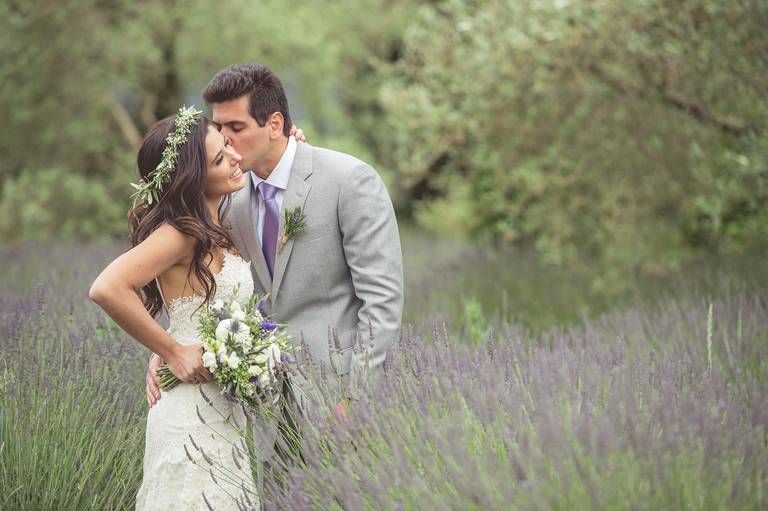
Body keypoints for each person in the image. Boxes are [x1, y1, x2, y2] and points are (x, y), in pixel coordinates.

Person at [145, 63, 405, 493]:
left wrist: (357, 398)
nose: (224, 140)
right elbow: (204, 288)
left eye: (236, 126)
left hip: (333, 393)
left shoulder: (348, 181)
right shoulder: (227, 198)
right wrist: (165, 348)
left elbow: (382, 301)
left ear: (275, 124)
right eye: (219, 127)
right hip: (259, 402)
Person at [90, 106, 261, 510]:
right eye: (220, 159)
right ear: (193, 179)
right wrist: (171, 351)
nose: (235, 158)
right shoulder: (181, 234)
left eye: (228, 146)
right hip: (188, 412)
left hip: (223, 413)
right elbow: (107, 287)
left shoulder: (215, 224)